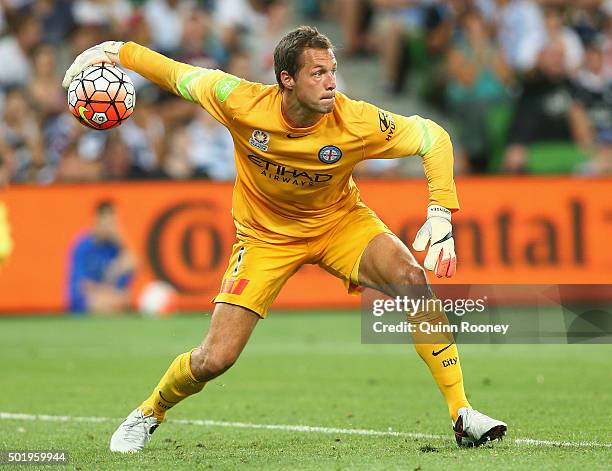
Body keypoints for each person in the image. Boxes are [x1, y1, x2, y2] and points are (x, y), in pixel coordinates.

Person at [63, 26, 507, 452]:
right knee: (214, 359)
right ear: (286, 80)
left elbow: (434, 137)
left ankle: (462, 413)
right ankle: (148, 412)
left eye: (332, 70)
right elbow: (178, 75)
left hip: (339, 223)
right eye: (318, 73)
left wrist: (440, 211)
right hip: (264, 238)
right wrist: (117, 50)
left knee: (413, 279)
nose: (331, 82)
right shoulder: (239, 101)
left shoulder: (355, 120)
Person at [67, 200, 135, 313]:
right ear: (97, 219)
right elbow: (83, 285)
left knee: (124, 299)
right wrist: (110, 294)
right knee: (103, 303)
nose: (111, 227)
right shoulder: (83, 246)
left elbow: (134, 263)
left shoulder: (114, 246)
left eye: (113, 222)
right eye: (107, 222)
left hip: (110, 296)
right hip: (85, 300)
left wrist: (121, 242)